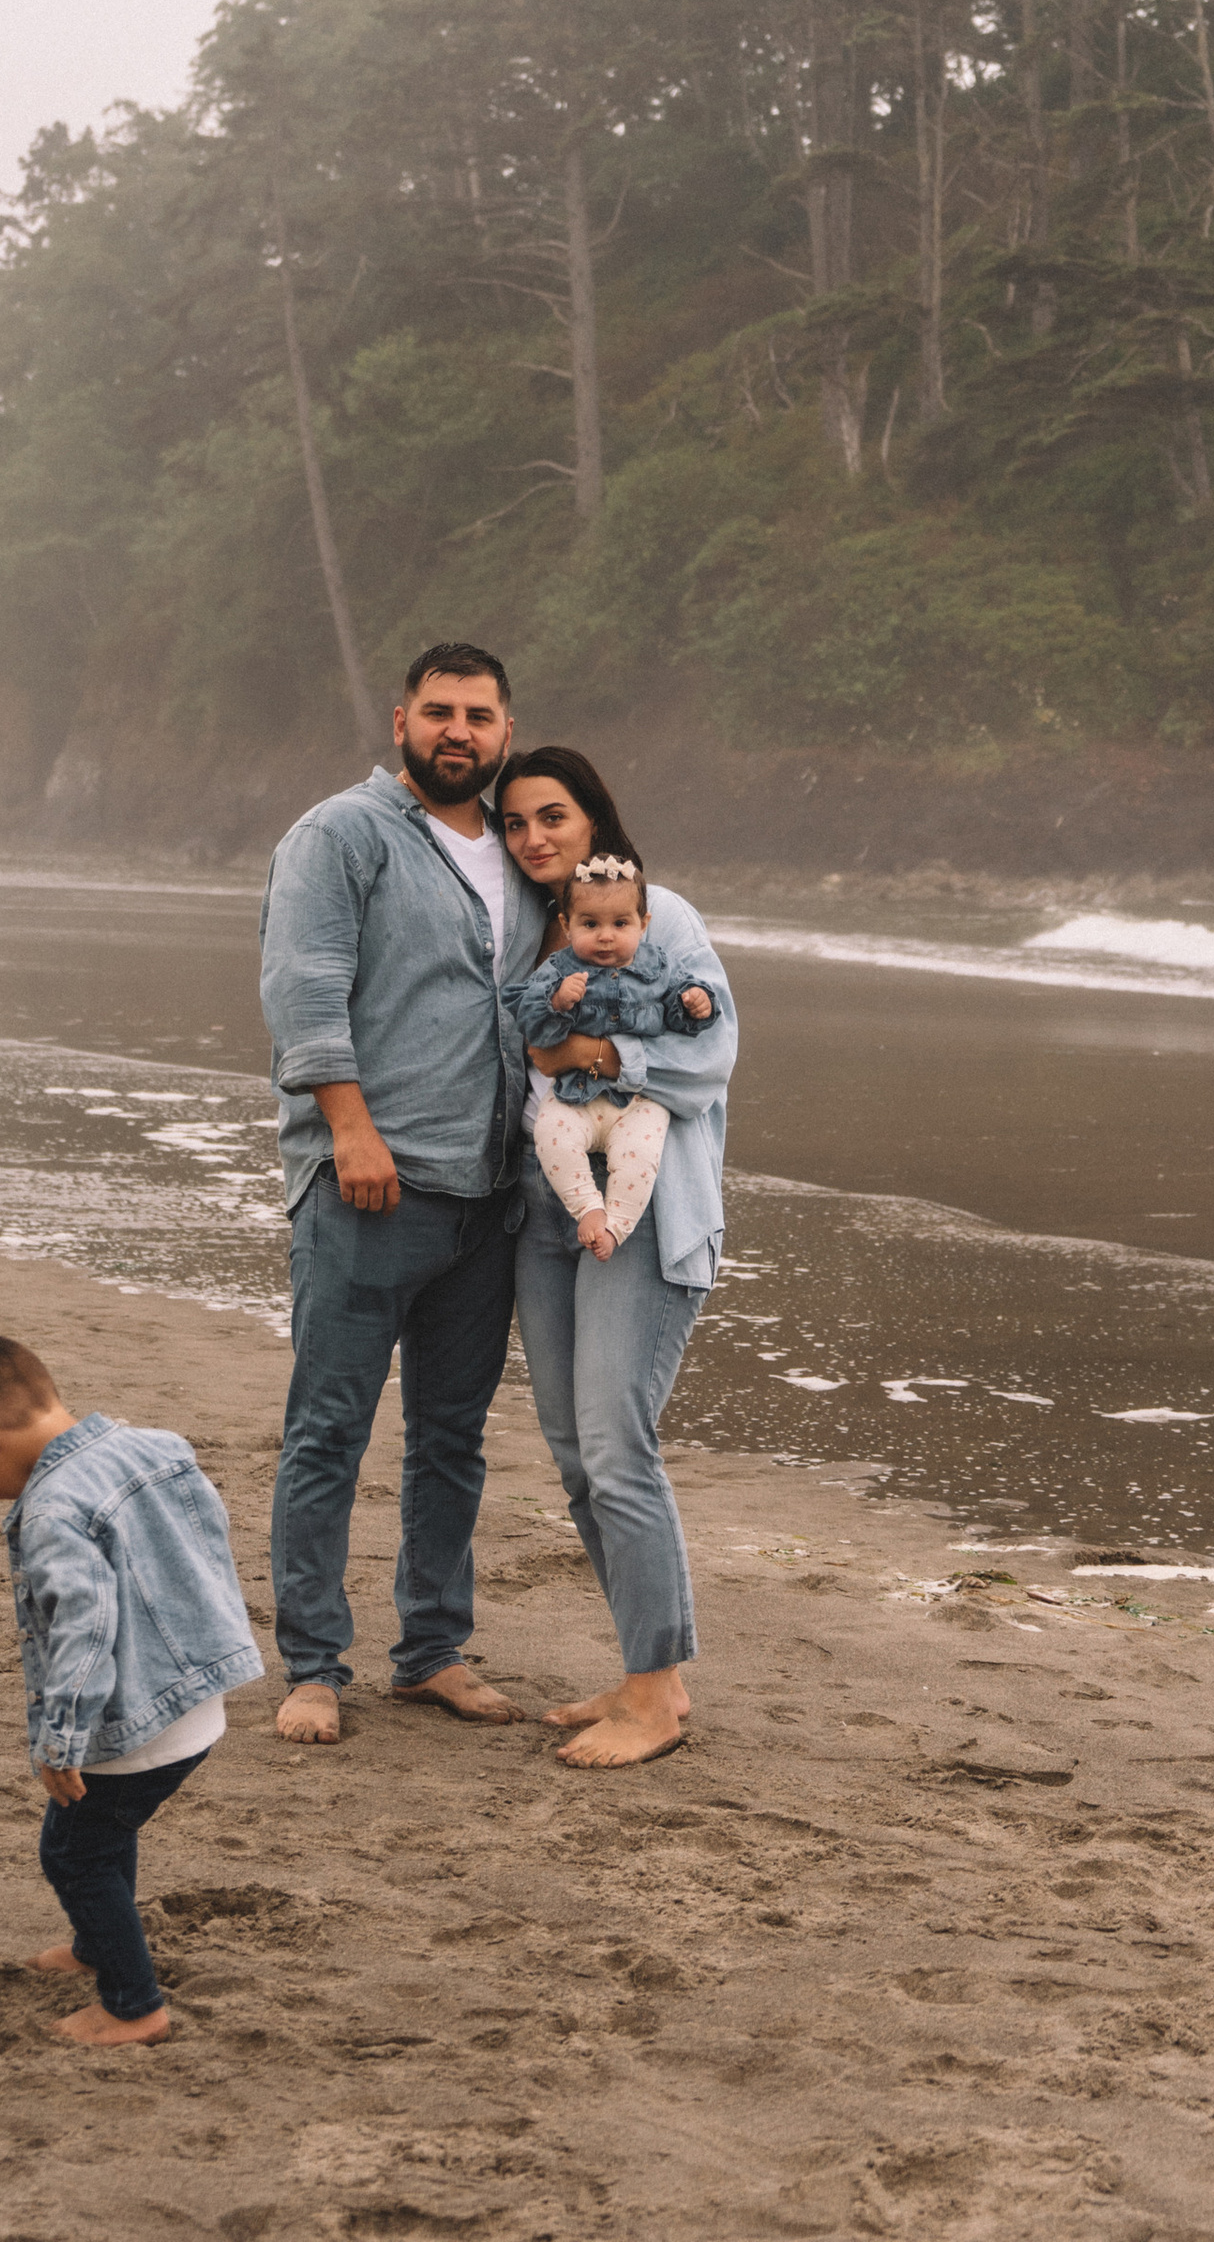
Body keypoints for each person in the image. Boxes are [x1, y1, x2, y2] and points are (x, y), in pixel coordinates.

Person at [257, 641, 545, 1744]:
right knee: (329, 1428)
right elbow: (305, 986)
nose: (457, 731)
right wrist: (347, 1130)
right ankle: (313, 1667)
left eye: (478, 714)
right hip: (367, 1185)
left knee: (449, 1438)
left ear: (505, 731)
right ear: (400, 722)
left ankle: (429, 1650)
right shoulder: (342, 834)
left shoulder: (517, 851)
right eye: (438, 711)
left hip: (487, 1199)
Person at [0, 1330, 264, 2049]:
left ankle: (133, 2004)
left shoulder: (51, 1512)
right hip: (199, 1690)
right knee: (107, 1832)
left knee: (74, 1854)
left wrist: (62, 1736)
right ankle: (93, 1944)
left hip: (133, 1711)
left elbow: (86, 1623)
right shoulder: (159, 1446)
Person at [496, 744, 738, 1770]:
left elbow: (709, 1057)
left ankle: (654, 1698)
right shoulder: (531, 932)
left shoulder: (660, 916)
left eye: (553, 815)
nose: (534, 837)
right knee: (571, 1451)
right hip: (546, 1212)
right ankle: (652, 1675)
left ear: (593, 819)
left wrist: (587, 1054)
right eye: (514, 823)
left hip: (642, 1213)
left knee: (615, 1443)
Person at [512, 853, 723, 1258]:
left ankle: (616, 1225)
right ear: (566, 926)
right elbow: (531, 1026)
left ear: (643, 925)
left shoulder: (661, 967)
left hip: (638, 1103)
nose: (606, 936)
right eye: (590, 925)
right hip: (575, 1095)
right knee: (551, 1134)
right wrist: (556, 1002)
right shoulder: (558, 970)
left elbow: (685, 1023)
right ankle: (589, 1208)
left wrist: (697, 1003)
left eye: (620, 924)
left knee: (639, 1158)